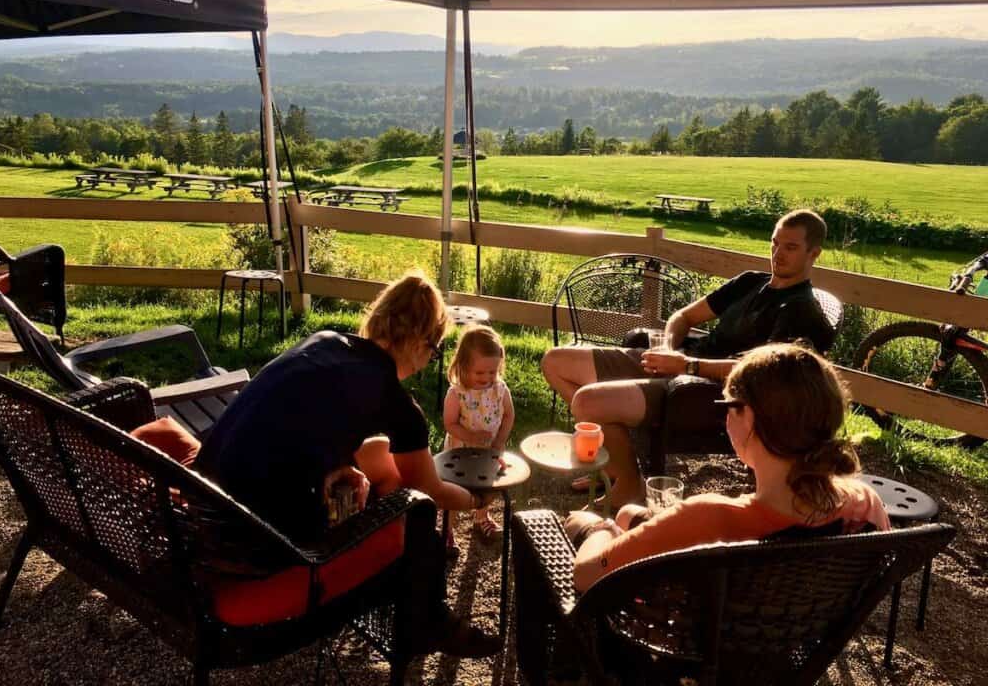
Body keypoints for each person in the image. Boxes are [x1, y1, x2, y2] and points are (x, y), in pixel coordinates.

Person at [134, 270, 500, 657]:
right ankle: (430, 622)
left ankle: (423, 617)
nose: (429, 360)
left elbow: (297, 417)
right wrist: (479, 500)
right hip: (251, 542)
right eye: (434, 349)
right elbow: (431, 490)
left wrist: (334, 462)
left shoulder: (323, 341)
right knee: (418, 513)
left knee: (374, 477)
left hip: (202, 503)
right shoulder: (396, 404)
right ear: (418, 344)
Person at [541, 208, 835, 507]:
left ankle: (629, 485)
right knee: (556, 362)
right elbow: (684, 316)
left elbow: (763, 374)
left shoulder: (800, 310)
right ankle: (618, 465)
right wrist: (668, 347)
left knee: (587, 402)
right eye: (774, 243)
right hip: (678, 362)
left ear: (814, 253)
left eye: (790, 247)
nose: (777, 253)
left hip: (706, 391)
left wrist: (688, 365)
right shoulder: (750, 282)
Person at [563, 343, 890, 593]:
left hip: (679, 649)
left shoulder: (708, 518)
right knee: (628, 514)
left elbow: (585, 576)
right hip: (792, 644)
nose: (724, 417)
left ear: (748, 416)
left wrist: (596, 529)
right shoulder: (863, 503)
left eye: (727, 406)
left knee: (594, 522)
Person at [443, 325, 515, 540]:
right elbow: (450, 423)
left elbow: (509, 415)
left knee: (488, 487)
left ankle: (482, 517)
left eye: (492, 372)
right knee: (455, 491)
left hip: (489, 451)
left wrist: (500, 441)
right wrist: (471, 436)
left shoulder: (499, 389)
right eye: (480, 372)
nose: (487, 377)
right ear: (463, 366)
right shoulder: (458, 393)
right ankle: (448, 528)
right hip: (460, 452)